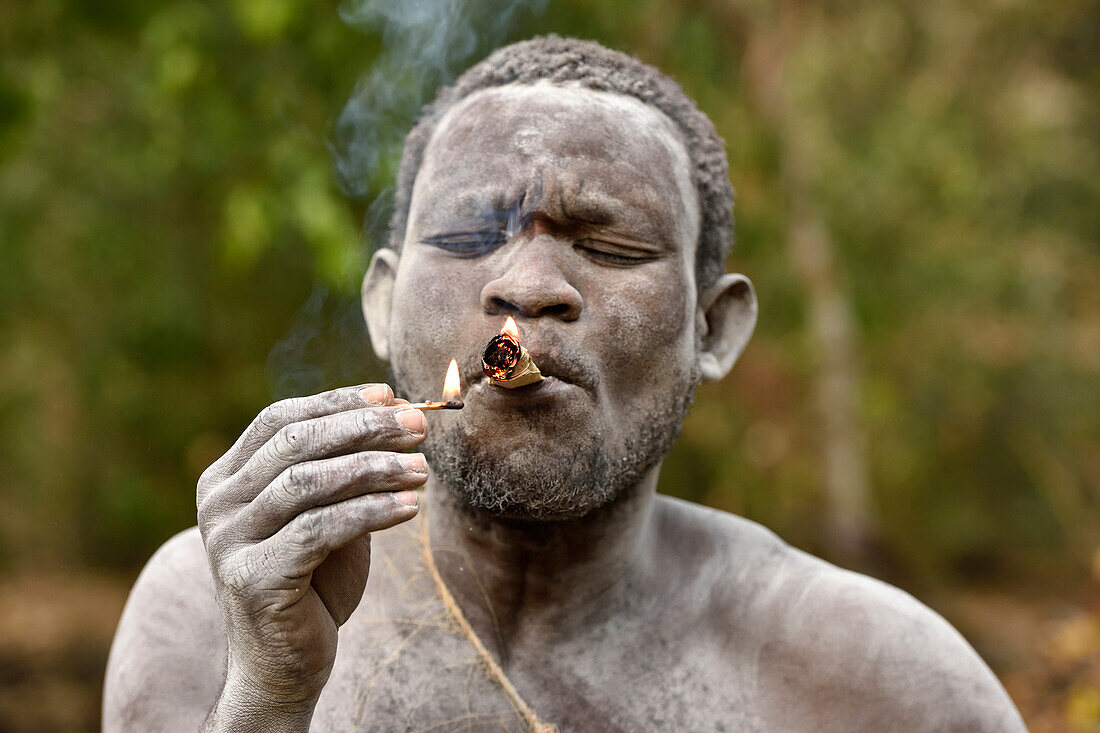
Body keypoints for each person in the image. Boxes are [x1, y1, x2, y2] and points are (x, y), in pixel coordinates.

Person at [103, 36, 1026, 732]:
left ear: (713, 327)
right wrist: (266, 697)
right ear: (383, 304)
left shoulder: (880, 680)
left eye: (610, 246)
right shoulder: (216, 611)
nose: (529, 288)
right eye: (469, 239)